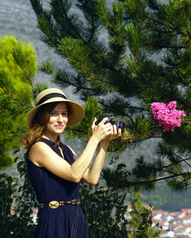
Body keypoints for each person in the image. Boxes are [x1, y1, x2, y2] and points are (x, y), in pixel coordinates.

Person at [22, 88, 121, 238]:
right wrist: (94, 138)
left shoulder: (66, 150)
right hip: (53, 222)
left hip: (75, 219)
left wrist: (104, 142)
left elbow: (92, 178)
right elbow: (74, 174)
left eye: (64, 114)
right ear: (43, 116)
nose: (60, 119)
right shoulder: (38, 148)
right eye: (54, 113)